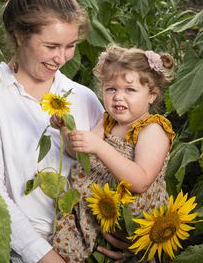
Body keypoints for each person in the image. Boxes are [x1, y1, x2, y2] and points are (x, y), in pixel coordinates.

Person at [0, 0, 112, 263]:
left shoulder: (83, 98)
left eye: (70, 46)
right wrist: (44, 256)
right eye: (51, 46)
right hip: (17, 252)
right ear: (19, 34)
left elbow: (107, 175)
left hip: (87, 248)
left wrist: (116, 229)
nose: (61, 58)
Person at [53, 44, 176, 262]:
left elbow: (140, 181)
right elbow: (77, 154)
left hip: (132, 220)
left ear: (152, 95)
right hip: (101, 209)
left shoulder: (153, 129)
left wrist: (100, 146)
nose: (118, 97)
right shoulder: (107, 120)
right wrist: (66, 130)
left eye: (130, 90)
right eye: (111, 89)